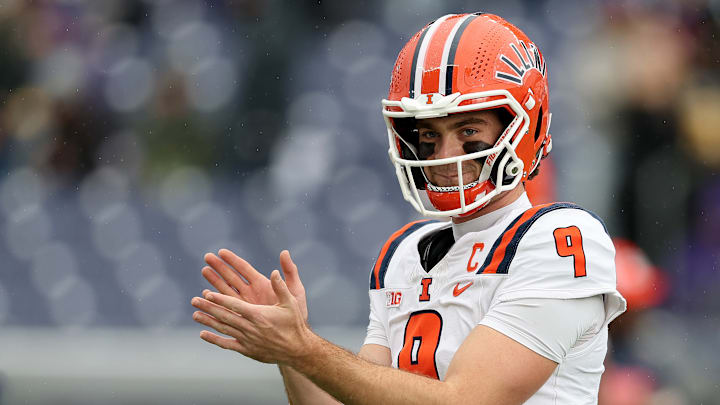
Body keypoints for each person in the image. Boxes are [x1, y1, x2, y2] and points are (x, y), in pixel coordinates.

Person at [191, 12, 627, 404]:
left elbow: (468, 401)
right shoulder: (404, 253)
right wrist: (292, 352)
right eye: (429, 136)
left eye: (468, 129)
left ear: (524, 126)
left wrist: (306, 348)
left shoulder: (562, 239)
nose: (443, 154)